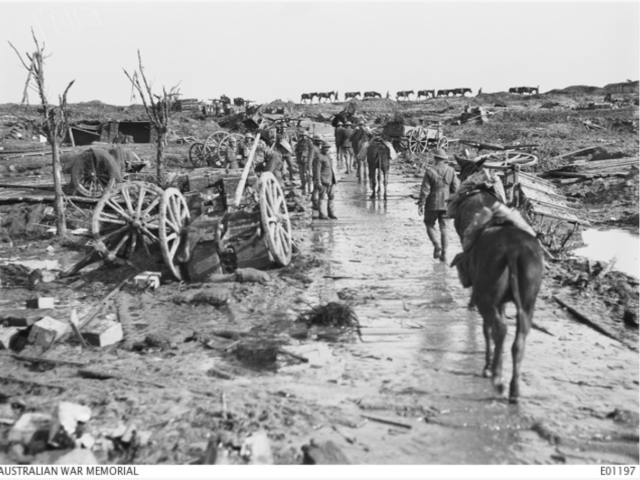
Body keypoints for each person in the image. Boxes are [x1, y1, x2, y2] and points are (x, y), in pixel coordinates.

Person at [417, 148, 460, 261]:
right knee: (445, 229)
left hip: (432, 202)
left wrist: (421, 203)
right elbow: (456, 189)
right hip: (447, 204)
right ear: (444, 159)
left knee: (429, 224)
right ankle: (444, 254)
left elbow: (425, 189)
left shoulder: (430, 171)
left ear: (435, 158)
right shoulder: (451, 170)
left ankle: (436, 245)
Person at [313, 141, 338, 220]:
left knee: (332, 197)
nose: (327, 149)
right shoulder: (319, 157)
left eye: (328, 148)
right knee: (322, 198)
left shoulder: (329, 156)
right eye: (325, 148)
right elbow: (317, 170)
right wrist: (318, 181)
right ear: (322, 148)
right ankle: (322, 214)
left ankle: (331, 213)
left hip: (331, 180)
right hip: (323, 180)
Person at [294, 130, 313, 194]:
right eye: (302, 136)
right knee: (301, 174)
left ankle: (309, 188)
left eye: (304, 136)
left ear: (307, 136)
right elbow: (296, 150)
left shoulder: (309, 142)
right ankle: (303, 185)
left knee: (307, 174)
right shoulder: (299, 142)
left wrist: (310, 161)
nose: (303, 137)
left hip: (306, 161)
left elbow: (311, 152)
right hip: (300, 160)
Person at [309, 134, 323, 210]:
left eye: (320, 141)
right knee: (316, 186)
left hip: (319, 169)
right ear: (315, 141)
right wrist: (309, 171)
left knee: (317, 186)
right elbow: (310, 160)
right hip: (315, 169)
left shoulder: (317, 148)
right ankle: (315, 203)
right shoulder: (313, 148)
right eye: (319, 141)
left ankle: (316, 202)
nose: (320, 142)